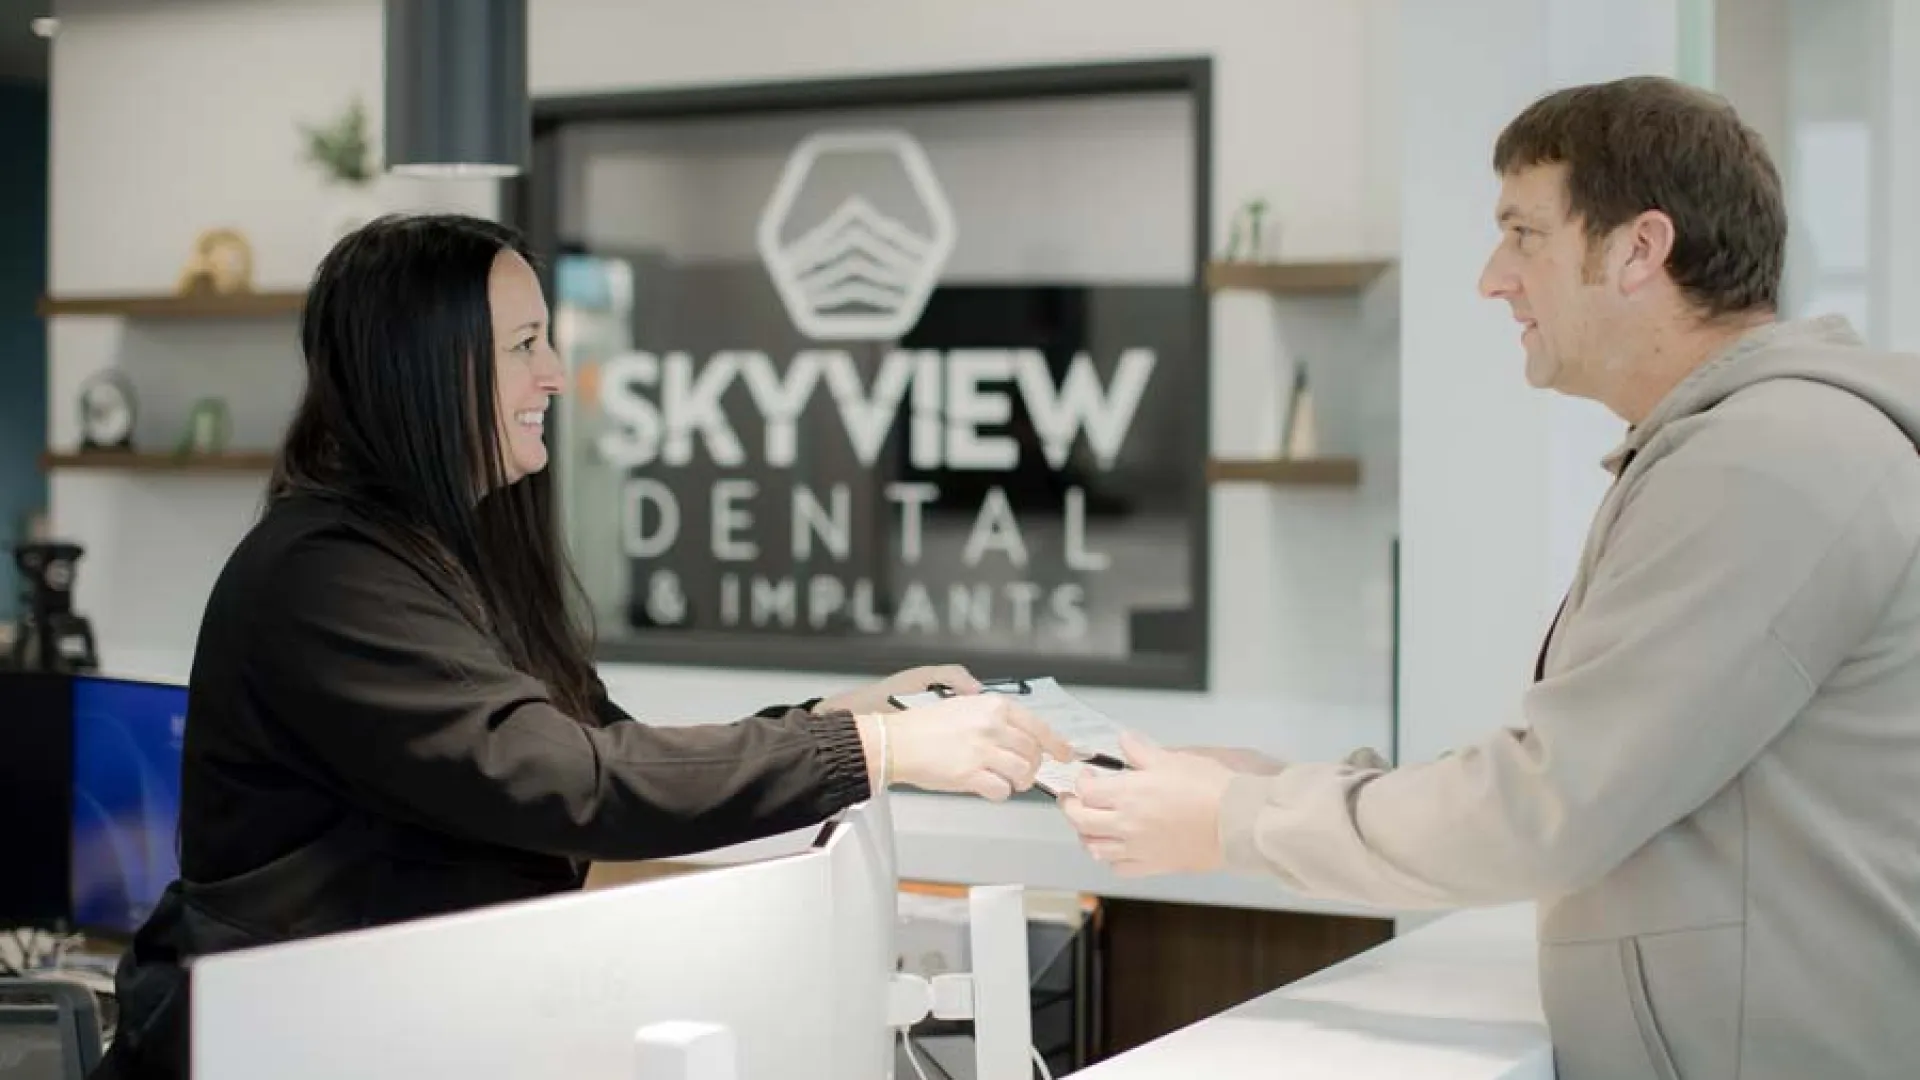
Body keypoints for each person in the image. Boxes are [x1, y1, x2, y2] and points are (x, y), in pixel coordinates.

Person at [1061, 76, 1920, 1080]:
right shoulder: (1750, 449)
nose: (1492, 277)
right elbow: (1598, 772)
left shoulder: (1765, 464)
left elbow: (1550, 804)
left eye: (1524, 235)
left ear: (1640, 249)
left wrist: (1233, 822)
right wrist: (1292, 790)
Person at [94, 213, 1071, 1080]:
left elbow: (606, 741)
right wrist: (875, 750)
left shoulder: (454, 553)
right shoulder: (326, 578)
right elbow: (575, 783)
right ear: (426, 369)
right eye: (525, 345)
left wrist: (838, 721)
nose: (556, 374)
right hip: (274, 1046)